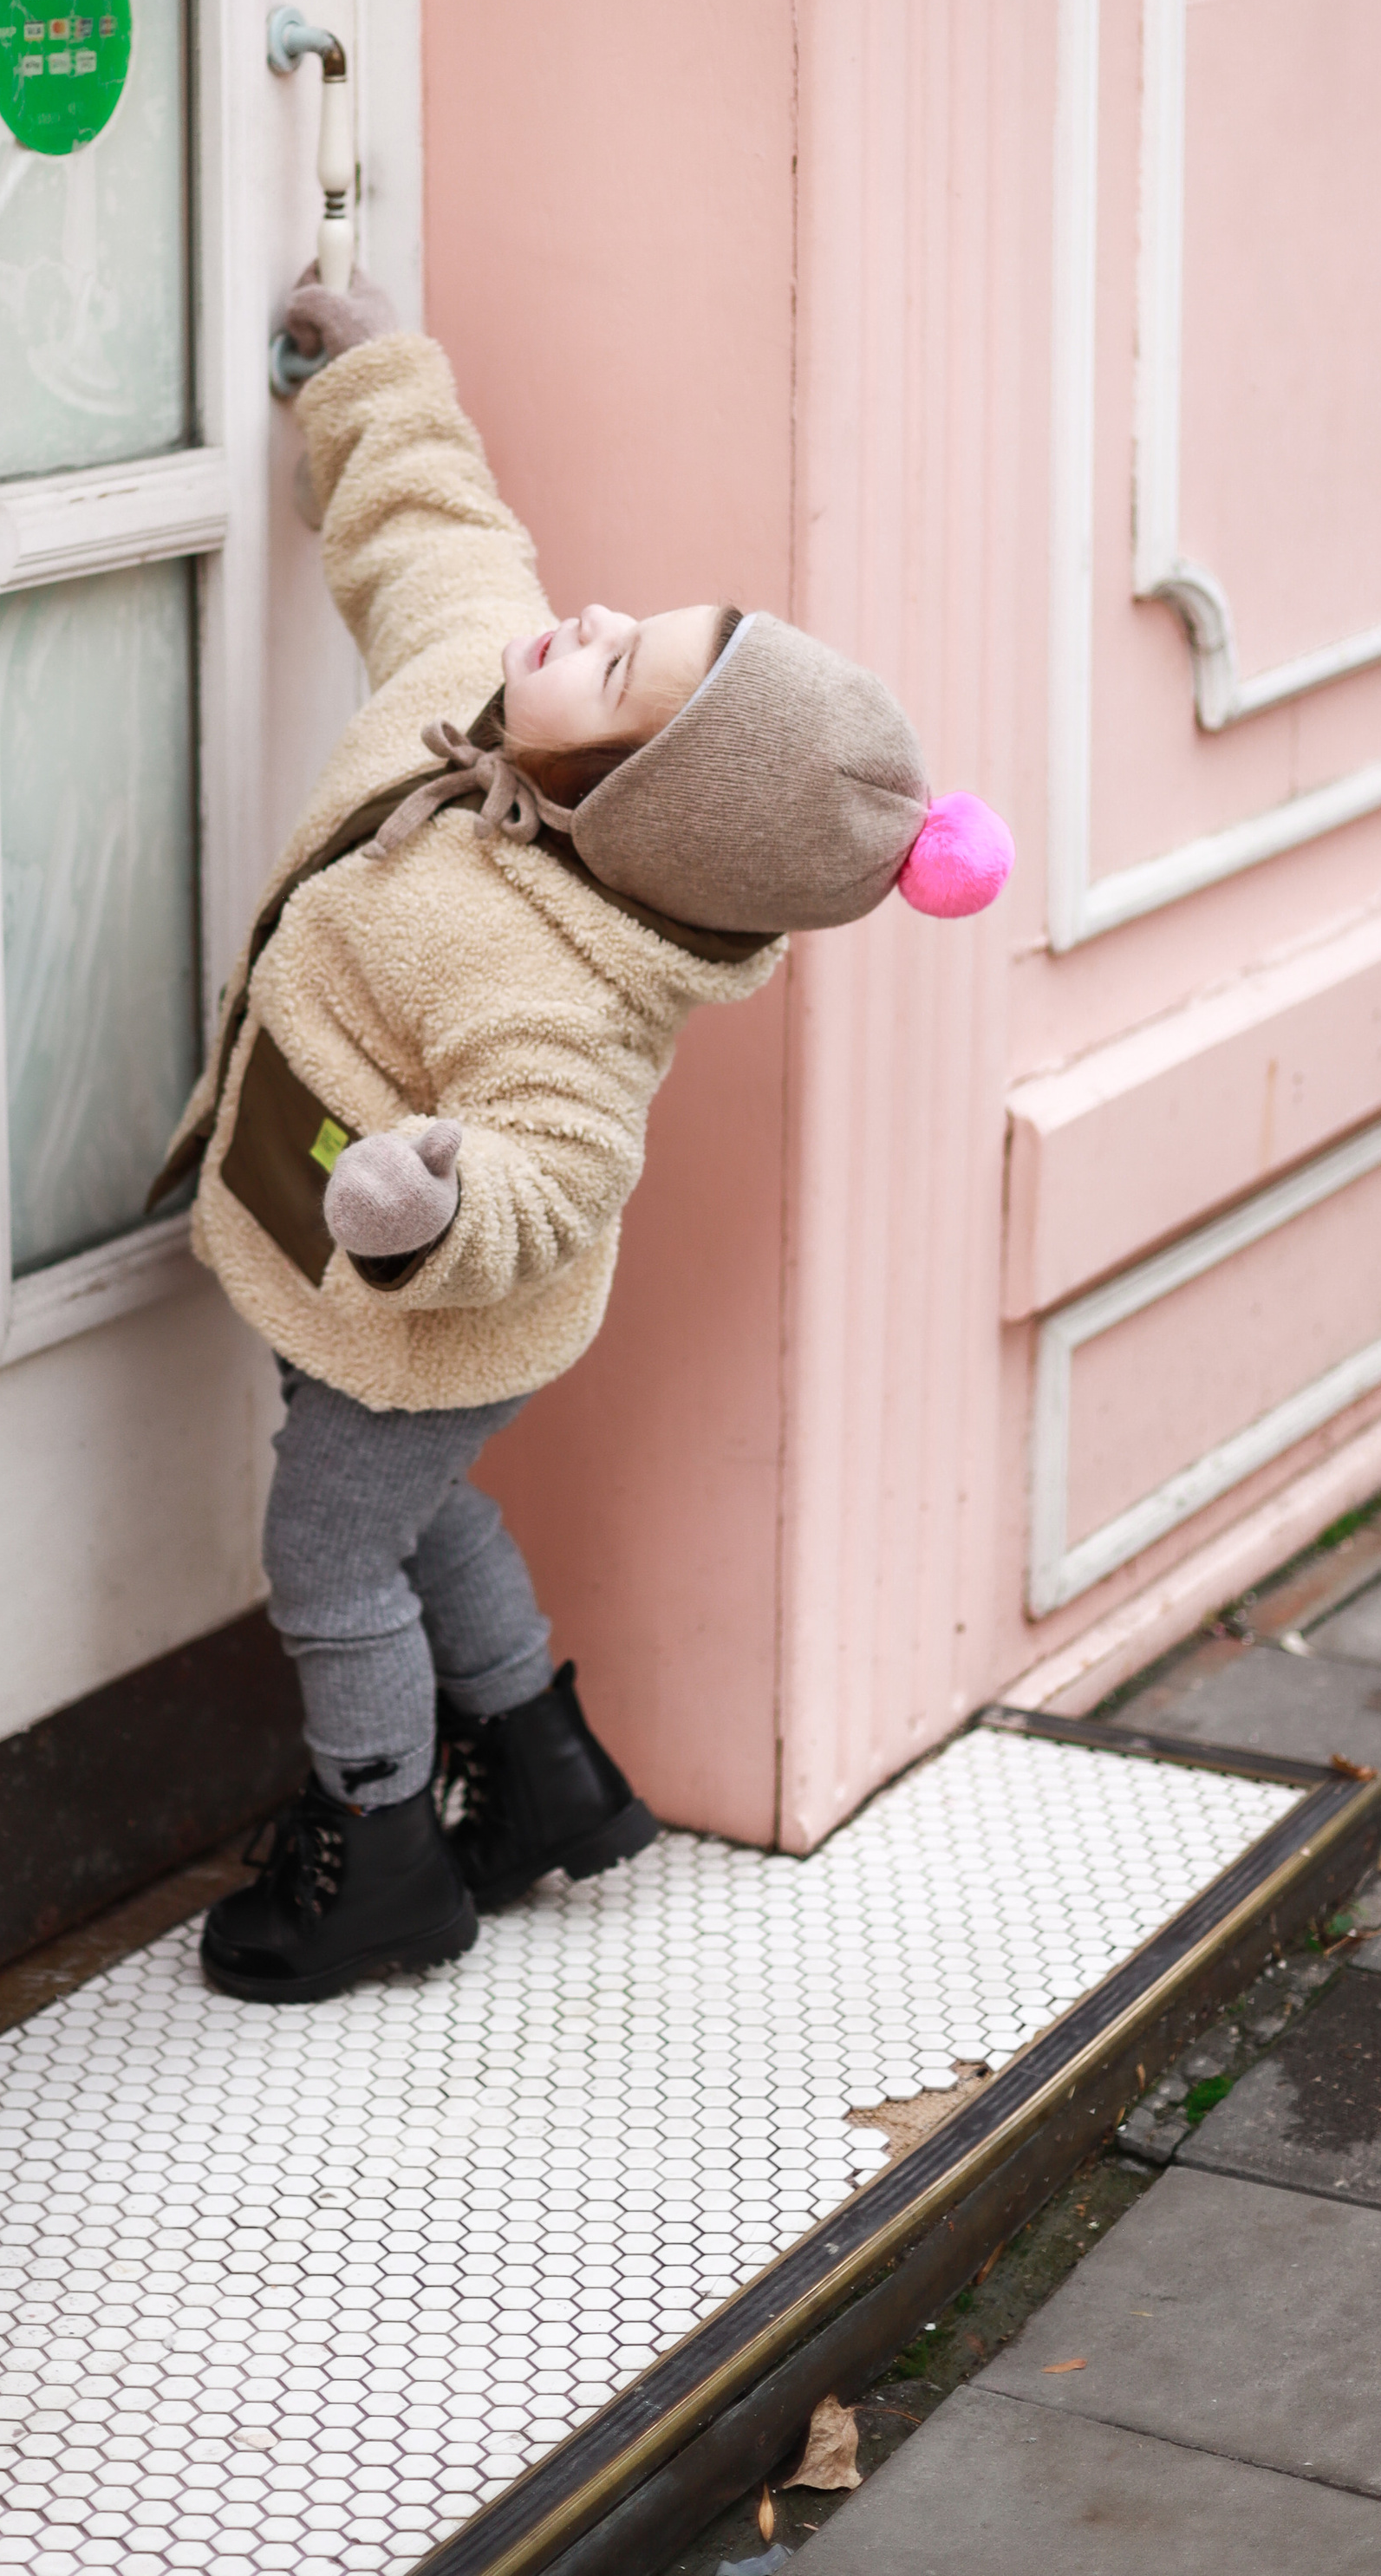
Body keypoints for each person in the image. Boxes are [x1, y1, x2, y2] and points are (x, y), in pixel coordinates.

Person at [154, 274, 1012, 2004]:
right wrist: (369, 381)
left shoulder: (558, 981)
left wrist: (431, 1210)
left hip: (429, 1311)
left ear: (635, 805)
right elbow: (437, 533)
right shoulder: (482, 687)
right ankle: (546, 1777)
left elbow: (556, 1175)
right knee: (413, 1513)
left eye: (617, 661)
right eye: (629, 622)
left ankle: (375, 1855)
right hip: (337, 1249)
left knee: (330, 1546)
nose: (589, 618)